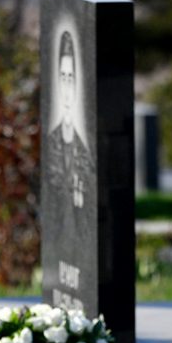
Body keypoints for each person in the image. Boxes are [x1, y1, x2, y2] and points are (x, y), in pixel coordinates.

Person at [47, 31, 94, 211]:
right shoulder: (51, 141)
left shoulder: (84, 150)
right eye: (63, 77)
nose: (66, 86)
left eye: (70, 77)